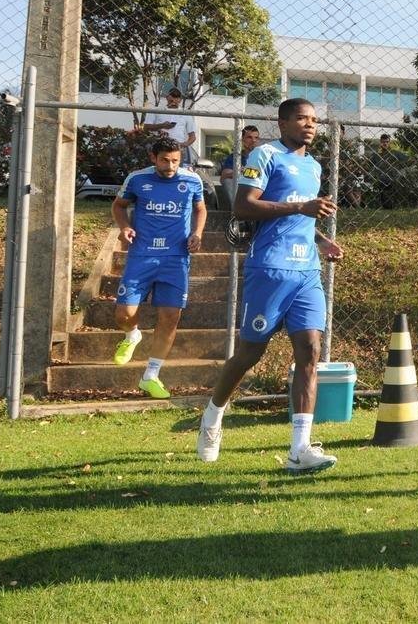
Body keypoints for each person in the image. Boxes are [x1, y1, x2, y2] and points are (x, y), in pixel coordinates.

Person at [196, 98, 345, 474]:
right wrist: (301, 209)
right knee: (249, 354)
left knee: (310, 351)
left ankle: (300, 448)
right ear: (282, 123)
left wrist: (319, 240)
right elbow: (244, 207)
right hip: (271, 268)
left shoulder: (313, 164)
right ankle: (213, 417)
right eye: (301, 119)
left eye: (314, 120)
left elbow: (301, 212)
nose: (310, 125)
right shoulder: (264, 155)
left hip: (307, 271)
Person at [110, 137, 206, 398]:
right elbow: (119, 206)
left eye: (176, 160)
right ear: (153, 158)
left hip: (176, 259)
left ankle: (151, 375)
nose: (171, 165)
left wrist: (197, 233)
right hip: (142, 256)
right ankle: (132, 336)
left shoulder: (192, 180)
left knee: (171, 317)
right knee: (123, 314)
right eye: (165, 159)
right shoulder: (137, 179)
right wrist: (125, 227)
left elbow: (200, 208)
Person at [145, 88, 198, 166]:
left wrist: (183, 145)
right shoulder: (157, 110)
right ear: (167, 97)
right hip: (159, 147)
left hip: (177, 148)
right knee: (157, 170)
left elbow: (192, 137)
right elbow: (145, 127)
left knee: (176, 171)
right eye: (172, 96)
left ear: (180, 99)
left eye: (177, 97)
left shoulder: (185, 113)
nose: (174, 99)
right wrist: (162, 125)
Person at [219, 125, 260, 210]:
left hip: (258, 189)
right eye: (249, 137)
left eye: (256, 137)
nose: (253, 140)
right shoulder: (235, 157)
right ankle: (237, 213)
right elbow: (224, 177)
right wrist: (239, 171)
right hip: (241, 190)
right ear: (242, 139)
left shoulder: (263, 157)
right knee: (228, 181)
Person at [372, 133, 404, 209]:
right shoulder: (377, 155)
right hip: (382, 178)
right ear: (380, 142)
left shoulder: (394, 153)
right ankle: (385, 207)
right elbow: (371, 164)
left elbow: (406, 160)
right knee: (383, 194)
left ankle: (392, 207)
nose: (385, 143)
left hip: (394, 178)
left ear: (389, 142)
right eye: (383, 142)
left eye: (386, 142)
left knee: (393, 194)